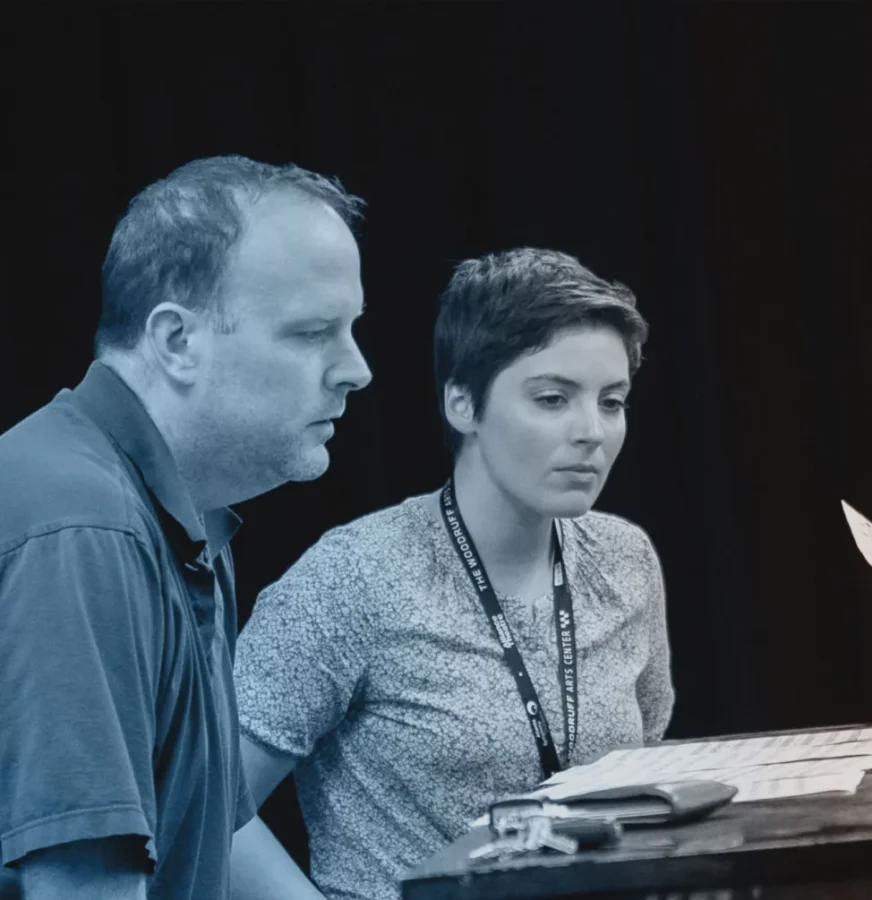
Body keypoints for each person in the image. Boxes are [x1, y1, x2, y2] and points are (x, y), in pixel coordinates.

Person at [230, 248, 674, 900]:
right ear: (462, 404)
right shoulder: (352, 578)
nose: (591, 432)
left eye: (612, 401)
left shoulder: (625, 559)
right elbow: (203, 807)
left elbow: (647, 777)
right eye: (552, 398)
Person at [0, 156, 372, 899]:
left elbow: (210, 825)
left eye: (351, 330)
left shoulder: (179, 510)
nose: (355, 369)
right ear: (175, 342)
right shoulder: (85, 530)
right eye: (311, 333)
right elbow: (82, 890)